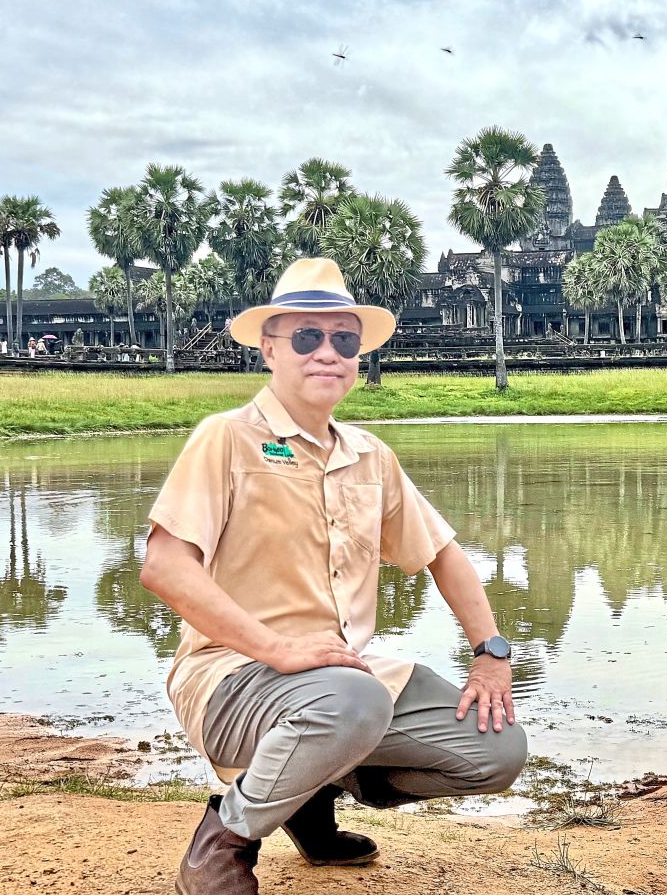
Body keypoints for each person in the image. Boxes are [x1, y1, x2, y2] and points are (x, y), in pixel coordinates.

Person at [140, 259, 524, 895]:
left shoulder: (370, 456)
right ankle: (226, 840)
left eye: (344, 339)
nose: (328, 353)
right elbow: (164, 565)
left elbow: (444, 554)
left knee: (496, 748)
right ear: (269, 349)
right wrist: (277, 648)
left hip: (342, 682)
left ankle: (306, 798)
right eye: (307, 337)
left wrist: (490, 655)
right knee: (353, 697)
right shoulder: (227, 439)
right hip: (234, 676)